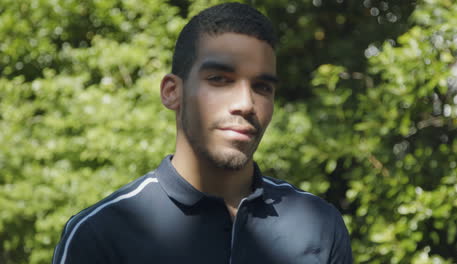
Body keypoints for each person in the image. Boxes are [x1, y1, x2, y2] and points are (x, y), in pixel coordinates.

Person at [52, 3, 352, 264]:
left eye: (262, 87)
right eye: (220, 79)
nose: (246, 104)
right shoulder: (100, 232)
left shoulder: (318, 224)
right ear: (172, 92)